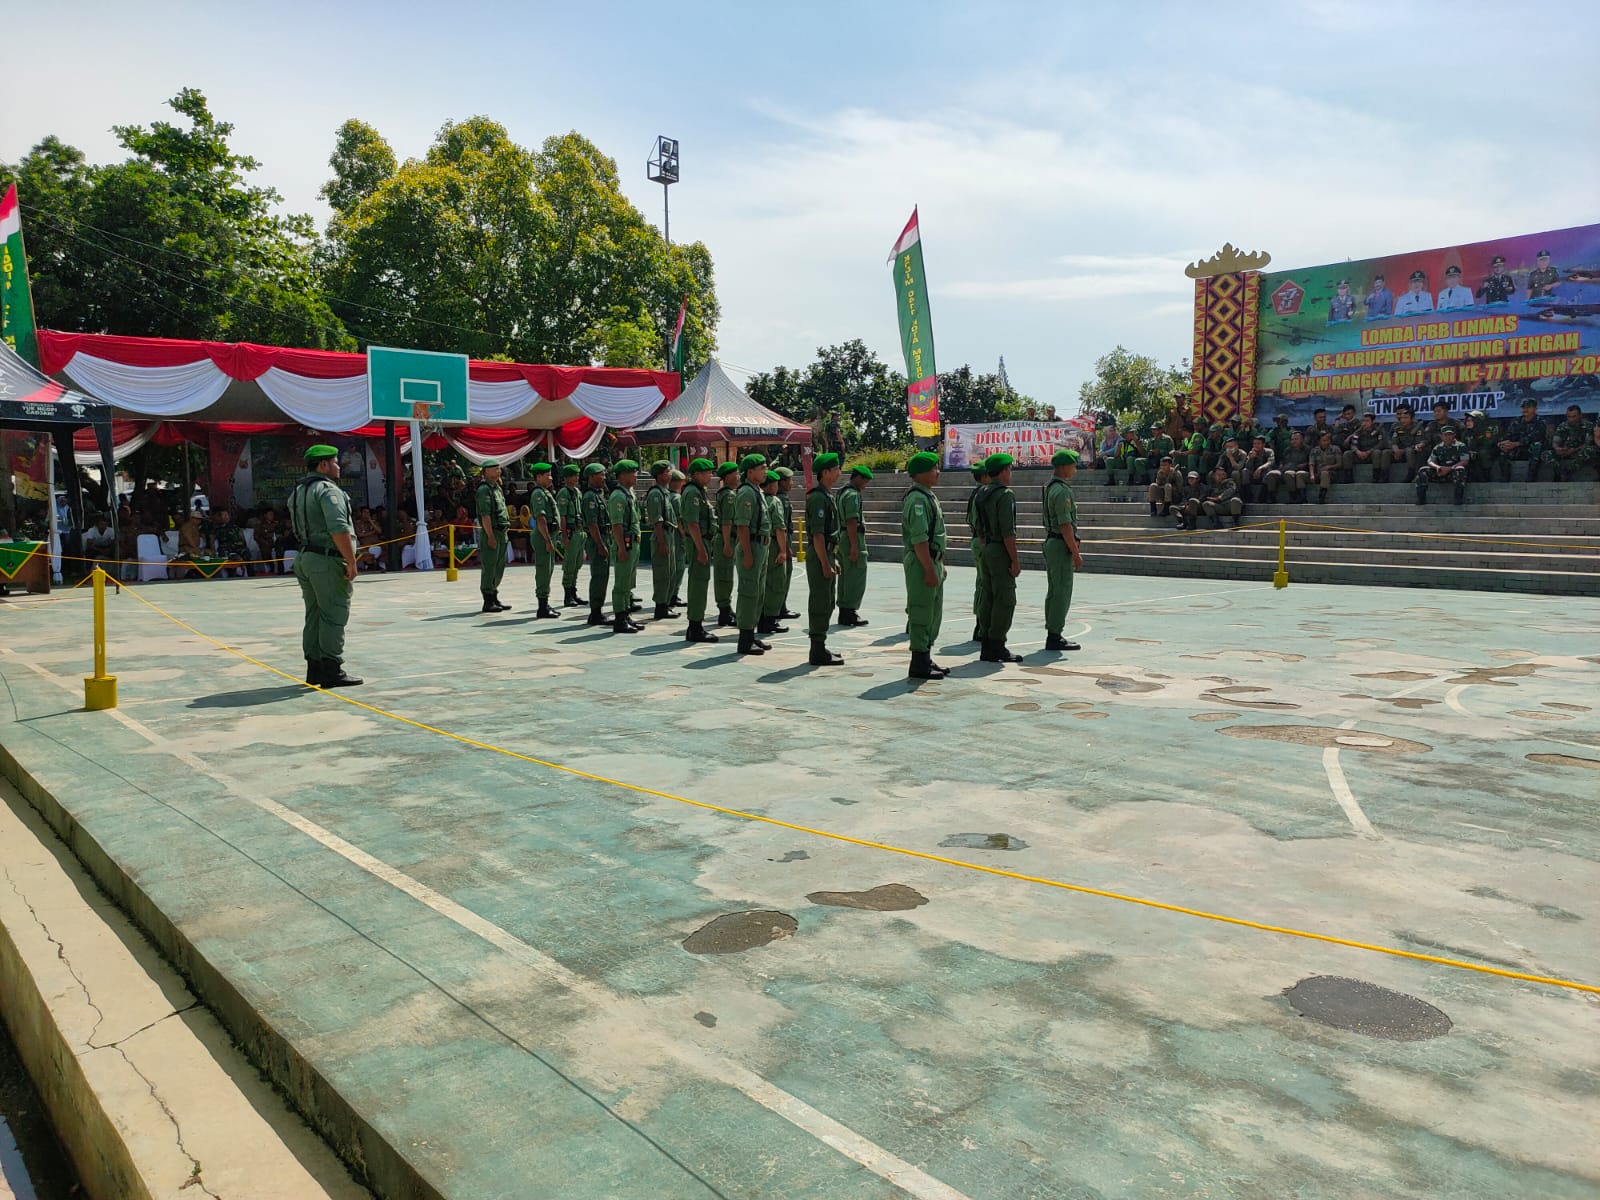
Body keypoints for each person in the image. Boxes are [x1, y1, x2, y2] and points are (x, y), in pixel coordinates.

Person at [288, 445, 361, 687]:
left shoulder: (298, 491)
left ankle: (315, 669)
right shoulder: (328, 491)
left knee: (314, 614)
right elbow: (338, 528)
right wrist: (350, 560)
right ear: (323, 465)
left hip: (305, 557)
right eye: (335, 462)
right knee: (333, 615)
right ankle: (332, 669)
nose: (339, 467)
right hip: (326, 559)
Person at [900, 451, 950, 680]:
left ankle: (926, 656)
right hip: (922, 562)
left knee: (933, 612)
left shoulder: (927, 495)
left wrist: (939, 564)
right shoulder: (917, 500)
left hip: (931, 560)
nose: (937, 472)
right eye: (933, 468)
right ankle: (918, 661)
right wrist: (929, 569)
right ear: (920, 473)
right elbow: (919, 539)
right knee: (921, 611)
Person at [974, 451, 1023, 665]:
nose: (1010, 473)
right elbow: (1008, 532)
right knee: (1005, 599)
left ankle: (986, 641)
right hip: (1000, 550)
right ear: (1003, 472)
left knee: (988, 597)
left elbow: (979, 527)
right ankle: (997, 644)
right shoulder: (1005, 495)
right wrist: (1015, 559)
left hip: (986, 549)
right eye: (1009, 469)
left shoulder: (981, 493)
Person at [803, 453, 845, 665]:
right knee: (820, 600)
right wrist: (825, 563)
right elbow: (818, 535)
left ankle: (821, 646)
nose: (839, 472)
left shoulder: (827, 495)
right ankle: (817, 650)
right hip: (820, 554)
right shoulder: (819, 498)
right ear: (826, 472)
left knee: (828, 601)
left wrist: (831, 559)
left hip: (827, 552)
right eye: (836, 468)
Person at [1042, 448, 1083, 653]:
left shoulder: (1050, 487)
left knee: (1054, 590)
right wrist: (1075, 552)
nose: (1075, 469)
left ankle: (1053, 630)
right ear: (1064, 467)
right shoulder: (1062, 491)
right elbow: (1065, 524)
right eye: (1073, 465)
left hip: (1053, 542)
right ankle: (1054, 635)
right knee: (1061, 591)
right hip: (1060, 544)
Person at [732, 453, 772, 655]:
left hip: (761, 546)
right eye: (761, 468)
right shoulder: (746, 493)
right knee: (748, 593)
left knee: (758, 593)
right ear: (750, 471)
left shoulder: (757, 491)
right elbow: (742, 526)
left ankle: (751, 634)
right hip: (752, 546)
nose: (765, 471)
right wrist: (747, 553)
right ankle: (745, 639)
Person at [678, 459, 719, 643]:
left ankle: (696, 625)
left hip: (701, 542)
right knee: (698, 585)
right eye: (706, 472)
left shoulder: (699, 491)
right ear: (695, 474)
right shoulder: (693, 492)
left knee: (700, 584)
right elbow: (692, 524)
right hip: (698, 543)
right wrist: (701, 550)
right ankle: (695, 627)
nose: (709, 476)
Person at [606, 460, 644, 633]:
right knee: (622, 583)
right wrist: (621, 547)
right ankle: (620, 619)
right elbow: (617, 525)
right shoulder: (618, 496)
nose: (636, 475)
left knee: (628, 582)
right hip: (625, 544)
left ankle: (626, 615)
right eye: (632, 472)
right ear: (622, 475)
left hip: (633, 543)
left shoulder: (629, 493)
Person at [644, 461, 679, 621]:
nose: (670, 474)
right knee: (662, 574)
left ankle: (665, 605)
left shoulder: (664, 492)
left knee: (670, 572)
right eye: (667, 471)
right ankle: (660, 607)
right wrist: (662, 543)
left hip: (669, 535)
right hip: (662, 535)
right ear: (659, 475)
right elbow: (657, 520)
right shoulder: (656, 494)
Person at [837, 465, 871, 626]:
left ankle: (844, 610)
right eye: (865, 481)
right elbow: (851, 521)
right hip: (852, 536)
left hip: (843, 536)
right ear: (857, 478)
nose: (865, 485)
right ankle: (850, 611)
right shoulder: (852, 495)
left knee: (845, 576)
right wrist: (854, 546)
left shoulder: (843, 492)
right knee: (855, 576)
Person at [526, 463, 560, 618]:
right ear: (538, 477)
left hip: (548, 535)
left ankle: (545, 603)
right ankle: (542, 606)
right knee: (543, 571)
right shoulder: (538, 494)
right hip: (543, 536)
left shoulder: (545, 492)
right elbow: (541, 518)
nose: (550, 477)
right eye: (547, 475)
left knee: (548, 569)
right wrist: (548, 540)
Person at [758, 469, 790, 636]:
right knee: (776, 583)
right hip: (774, 544)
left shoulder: (759, 498)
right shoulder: (775, 501)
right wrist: (783, 550)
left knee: (763, 582)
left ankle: (761, 617)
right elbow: (779, 527)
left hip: (762, 544)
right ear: (771, 485)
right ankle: (770, 620)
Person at [580, 463, 611, 626]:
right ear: (591, 477)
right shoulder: (590, 497)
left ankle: (598, 611)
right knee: (599, 576)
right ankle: (595, 612)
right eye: (601, 475)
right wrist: (600, 545)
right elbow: (592, 524)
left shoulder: (600, 494)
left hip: (604, 536)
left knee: (603, 575)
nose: (604, 478)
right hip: (597, 539)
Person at [965, 462, 991, 643]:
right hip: (982, 542)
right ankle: (981, 625)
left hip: (977, 541)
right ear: (983, 477)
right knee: (984, 584)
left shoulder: (977, 493)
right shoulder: (982, 494)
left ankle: (981, 624)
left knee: (982, 582)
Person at [712, 462, 740, 627]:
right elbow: (727, 522)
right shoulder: (729, 495)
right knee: (724, 576)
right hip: (725, 538)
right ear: (728, 476)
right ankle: (724, 610)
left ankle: (726, 608)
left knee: (726, 575)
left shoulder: (726, 493)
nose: (738, 477)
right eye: (735, 474)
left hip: (725, 538)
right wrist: (728, 543)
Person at [1497, 400, 1552, 482]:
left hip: (1531, 448)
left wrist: (1517, 443)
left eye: (1528, 407)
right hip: (1518, 448)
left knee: (1536, 445)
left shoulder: (1540, 422)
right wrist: (1503, 443)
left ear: (1535, 409)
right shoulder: (1516, 421)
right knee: (1503, 450)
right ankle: (1505, 477)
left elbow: (1535, 437)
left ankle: (1531, 477)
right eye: (1523, 407)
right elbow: (1509, 434)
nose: (1525, 410)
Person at [555, 464, 585, 607]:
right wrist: (564, 535)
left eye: (577, 475)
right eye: (574, 475)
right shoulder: (564, 493)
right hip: (571, 532)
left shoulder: (577, 492)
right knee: (569, 564)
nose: (577, 477)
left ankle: (573, 591)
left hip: (580, 531)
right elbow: (562, 516)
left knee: (578, 563)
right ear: (567, 478)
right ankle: (568, 594)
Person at [1416, 428, 1468, 505]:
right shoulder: (1438, 447)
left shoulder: (1460, 446)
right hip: (1440, 472)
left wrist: (1450, 468)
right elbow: (1430, 461)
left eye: (1450, 435)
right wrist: (1438, 467)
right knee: (1423, 470)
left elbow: (1464, 461)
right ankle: (1421, 499)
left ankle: (1458, 498)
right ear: (1441, 436)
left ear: (1454, 435)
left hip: (1453, 473)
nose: (1448, 437)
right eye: (1445, 435)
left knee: (1460, 469)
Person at [1552, 405, 1597, 481]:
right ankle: (1558, 473)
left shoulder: (1588, 425)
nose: (1571, 419)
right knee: (1546, 454)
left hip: (1579, 452)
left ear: (1580, 415)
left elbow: (1588, 443)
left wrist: (1574, 450)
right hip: (1565, 451)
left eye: (1574, 416)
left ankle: (1568, 470)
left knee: (1590, 449)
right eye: (1569, 416)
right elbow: (1556, 441)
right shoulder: (1562, 426)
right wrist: (1557, 449)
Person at [1266, 430, 1312, 502]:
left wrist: (1304, 465)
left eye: (1296, 439)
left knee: (1288, 474)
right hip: (1284, 469)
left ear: (1302, 439)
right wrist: (1281, 465)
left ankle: (1293, 496)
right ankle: (1271, 497)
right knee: (1272, 474)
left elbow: (1311, 463)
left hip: (1298, 471)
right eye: (1292, 439)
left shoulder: (1308, 450)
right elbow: (1282, 460)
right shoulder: (1288, 449)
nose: (1294, 441)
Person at [1388, 406, 1427, 482]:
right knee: (1386, 452)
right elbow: (1394, 441)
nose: (1403, 420)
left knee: (1409, 450)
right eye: (1401, 418)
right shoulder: (1398, 427)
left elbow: (1418, 444)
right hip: (1400, 453)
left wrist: (1402, 451)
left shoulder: (1417, 427)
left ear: (1411, 418)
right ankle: (1382, 476)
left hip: (1414, 452)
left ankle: (1411, 473)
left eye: (1406, 418)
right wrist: (1396, 450)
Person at [668, 468, 689, 608]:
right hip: (677, 536)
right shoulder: (677, 498)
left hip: (670, 536)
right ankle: (673, 595)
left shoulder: (667, 496)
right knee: (679, 566)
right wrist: (685, 537)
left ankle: (670, 595)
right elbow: (680, 521)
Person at [1351, 413, 1389, 481]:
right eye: (1363, 421)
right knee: (1347, 454)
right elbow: (1353, 443)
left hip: (1372, 454)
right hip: (1361, 454)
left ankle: (1376, 476)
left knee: (1377, 452)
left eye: (1367, 421)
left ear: (1373, 421)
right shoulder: (1359, 431)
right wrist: (1357, 451)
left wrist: (1369, 451)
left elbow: (1381, 443)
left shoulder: (1378, 430)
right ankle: (1348, 477)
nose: (1364, 423)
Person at [1309, 431, 1343, 504]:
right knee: (1300, 475)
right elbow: (1311, 464)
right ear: (1319, 441)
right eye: (1324, 440)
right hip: (1318, 474)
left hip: (1332, 474)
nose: (1326, 442)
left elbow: (1339, 464)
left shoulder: (1335, 449)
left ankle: (1322, 496)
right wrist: (1312, 475)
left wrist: (1329, 467)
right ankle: (1300, 497)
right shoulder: (1314, 450)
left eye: (1328, 440)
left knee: (1324, 474)